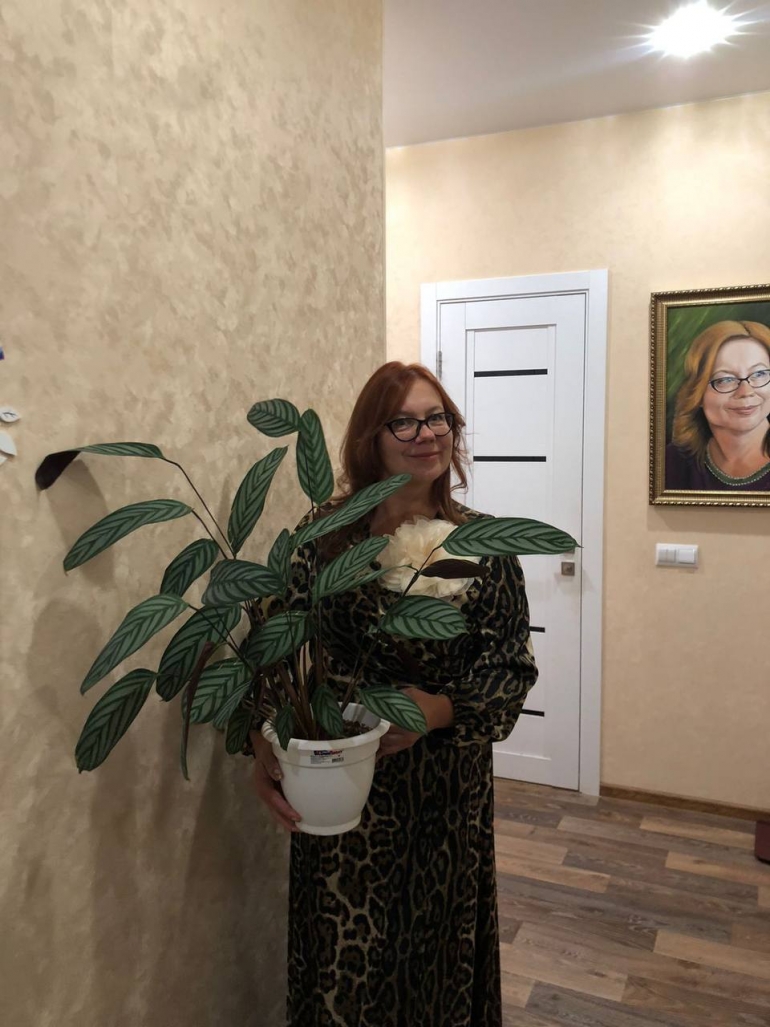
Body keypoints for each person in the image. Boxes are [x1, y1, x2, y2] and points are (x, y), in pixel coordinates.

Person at [250, 361, 538, 1027]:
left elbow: (509, 669)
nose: (426, 433)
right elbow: (272, 643)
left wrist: (436, 710)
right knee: (341, 964)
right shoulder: (324, 538)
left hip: (444, 796)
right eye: (402, 422)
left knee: (433, 965)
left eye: (437, 417)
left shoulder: (484, 546)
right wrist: (260, 748)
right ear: (370, 439)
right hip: (337, 783)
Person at [666, 320, 770, 491]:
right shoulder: (671, 462)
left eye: (759, 374)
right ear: (697, 393)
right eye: (725, 379)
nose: (746, 391)